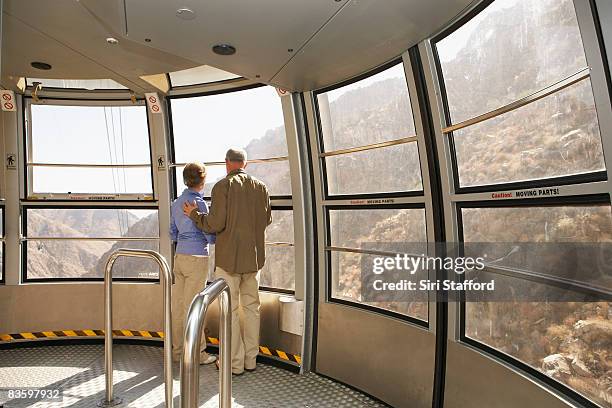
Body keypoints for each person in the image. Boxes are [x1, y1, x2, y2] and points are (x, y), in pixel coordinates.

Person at [183, 148, 272, 375]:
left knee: (229, 312)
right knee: (252, 309)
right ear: (245, 164)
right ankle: (251, 360)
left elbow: (213, 224)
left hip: (229, 261)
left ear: (226, 163)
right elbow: (266, 219)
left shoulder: (222, 187)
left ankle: (234, 364)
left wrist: (194, 214)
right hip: (253, 260)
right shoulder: (261, 187)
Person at [170, 162, 217, 365]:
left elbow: (173, 232)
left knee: (179, 307)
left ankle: (178, 352)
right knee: (195, 307)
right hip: (197, 258)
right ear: (203, 180)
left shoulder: (175, 203)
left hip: (179, 257)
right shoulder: (201, 204)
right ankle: (198, 353)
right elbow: (210, 236)